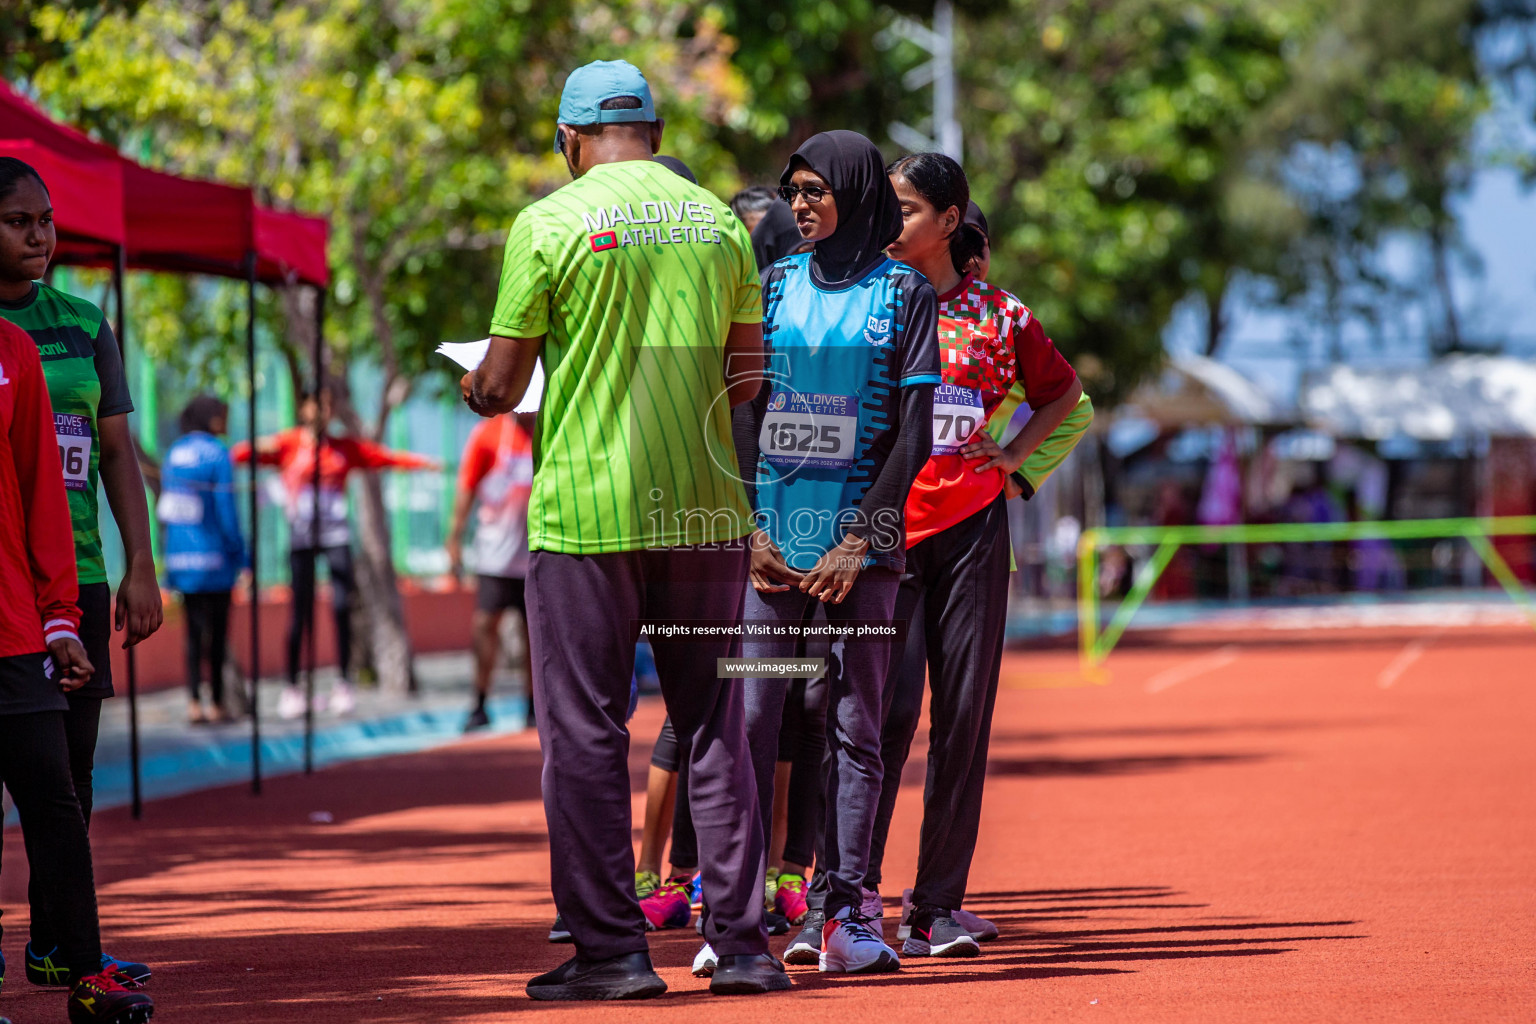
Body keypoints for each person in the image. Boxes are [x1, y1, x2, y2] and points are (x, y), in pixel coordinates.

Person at [462, 59, 788, 999]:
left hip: (586, 516)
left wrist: (479, 386)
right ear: (650, 128)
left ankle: (611, 953)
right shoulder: (719, 222)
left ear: (570, 137)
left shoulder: (549, 222)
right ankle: (744, 949)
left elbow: (499, 381)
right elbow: (749, 378)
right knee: (717, 728)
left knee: (585, 734)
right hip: (703, 511)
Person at [865, 154, 1085, 958]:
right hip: (883, 532)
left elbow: (1065, 393)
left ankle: (933, 909)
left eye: (907, 208)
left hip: (971, 533)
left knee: (961, 719)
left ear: (950, 222)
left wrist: (1017, 463)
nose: (891, 221)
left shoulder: (1001, 314)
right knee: (878, 718)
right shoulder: (871, 300)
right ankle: (850, 902)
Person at [733, 130, 940, 976]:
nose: (801, 204)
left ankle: (847, 917)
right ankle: (735, 918)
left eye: (816, 189)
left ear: (856, 192)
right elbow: (743, 413)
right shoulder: (772, 286)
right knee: (751, 717)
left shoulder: (905, 294)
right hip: (776, 549)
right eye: (794, 191)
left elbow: (915, 432)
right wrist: (751, 528)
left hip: (864, 550)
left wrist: (861, 538)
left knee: (855, 726)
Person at [0, 155, 157, 994]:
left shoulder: (82, 321)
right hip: (5, 583)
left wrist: (141, 563)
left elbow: (118, 452)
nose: (39, 236)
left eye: (47, 221)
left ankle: (59, 944)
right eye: (18, 222)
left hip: (80, 577)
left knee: (71, 774)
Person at [235, 388, 436, 718]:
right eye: (319, 405)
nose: (325, 411)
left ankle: (344, 683)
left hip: (335, 535)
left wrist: (421, 463)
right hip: (301, 538)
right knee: (300, 612)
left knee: (342, 604)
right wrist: (261, 446)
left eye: (329, 405)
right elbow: (240, 455)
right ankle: (292, 688)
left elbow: (382, 457)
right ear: (304, 408)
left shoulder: (343, 447)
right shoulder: (289, 443)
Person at [159, 395, 247, 724]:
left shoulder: (173, 454)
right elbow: (227, 512)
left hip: (181, 562)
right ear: (211, 418)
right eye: (223, 415)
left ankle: (193, 702)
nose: (226, 422)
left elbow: (167, 511)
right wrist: (242, 555)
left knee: (193, 636)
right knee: (218, 635)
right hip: (216, 562)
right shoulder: (217, 453)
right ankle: (218, 703)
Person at [446, 411, 535, 732]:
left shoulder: (549, 430)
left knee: (534, 635)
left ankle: (533, 706)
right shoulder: (487, 434)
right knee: (485, 626)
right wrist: (454, 537)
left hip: (537, 557)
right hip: (494, 557)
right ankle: (480, 703)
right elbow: (467, 486)